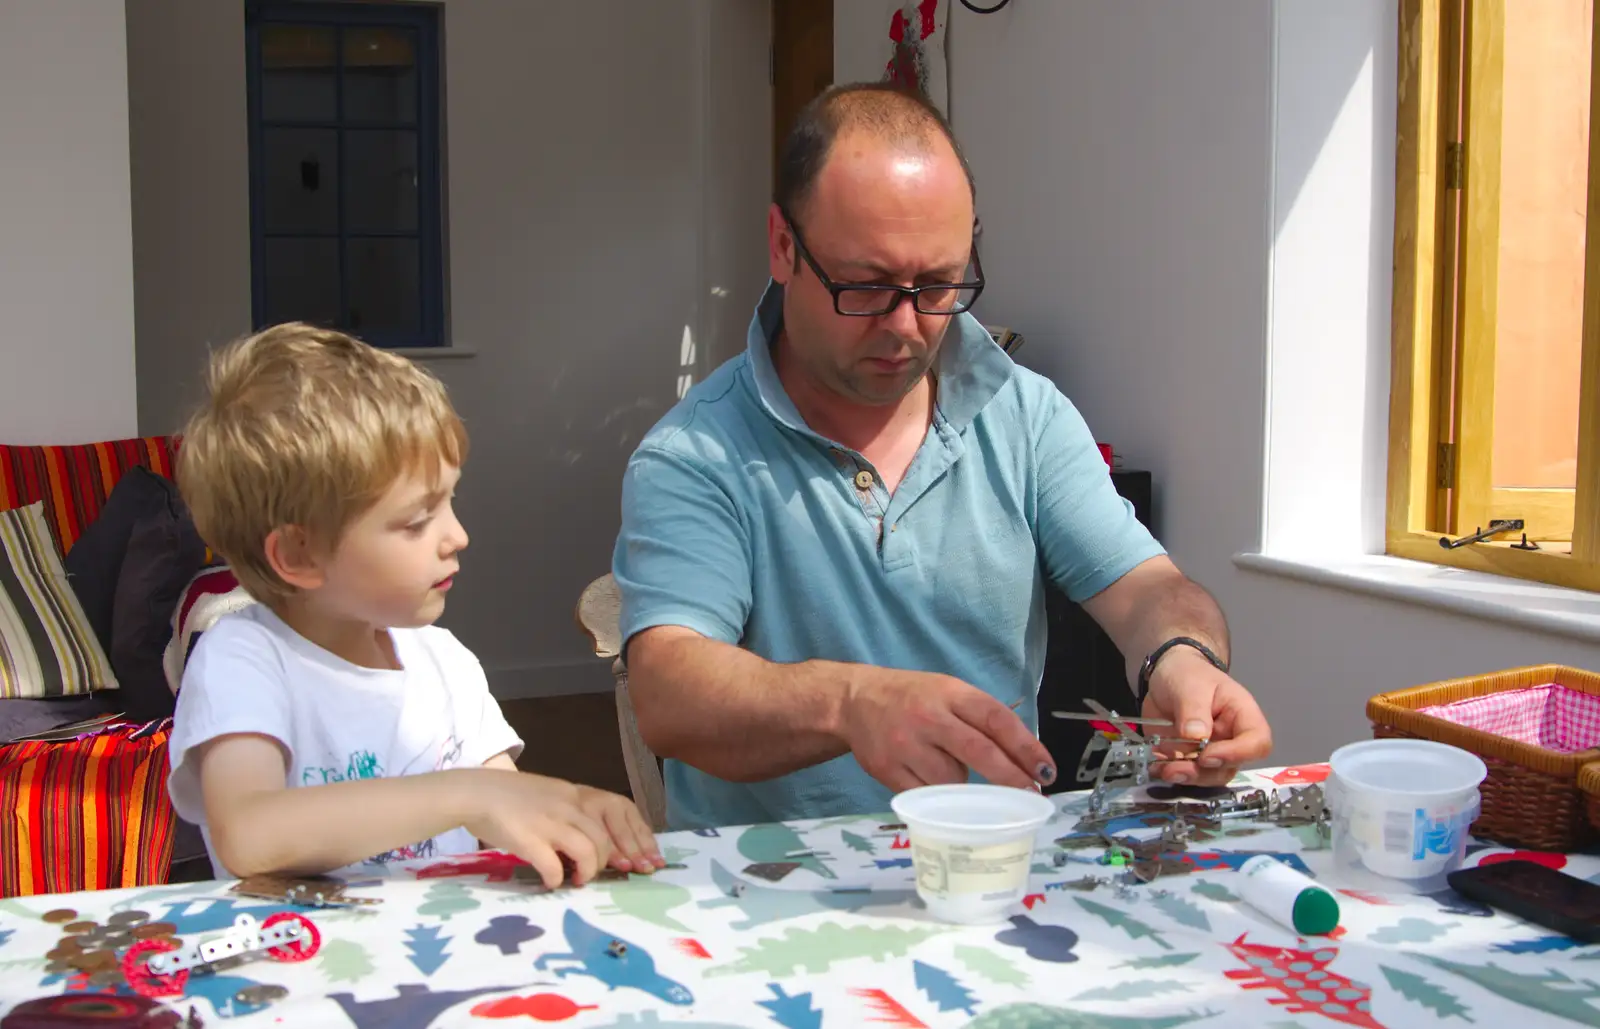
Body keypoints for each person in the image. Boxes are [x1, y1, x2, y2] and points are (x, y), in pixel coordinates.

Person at [612, 83, 1272, 831]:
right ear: (783, 246)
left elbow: (1149, 589)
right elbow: (669, 690)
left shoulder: (1023, 413)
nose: (906, 325)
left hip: (987, 867)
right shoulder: (697, 453)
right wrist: (851, 702)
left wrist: (1179, 659)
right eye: (866, 286)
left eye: (938, 284)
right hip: (773, 891)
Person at [166, 323, 663, 886]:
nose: (458, 536)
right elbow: (248, 835)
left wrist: (571, 812)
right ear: (300, 554)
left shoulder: (444, 661)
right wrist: (467, 794)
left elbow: (503, 803)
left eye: (449, 501)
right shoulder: (243, 659)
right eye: (417, 520)